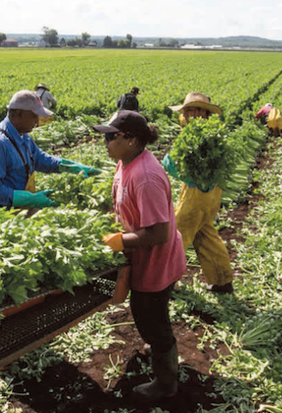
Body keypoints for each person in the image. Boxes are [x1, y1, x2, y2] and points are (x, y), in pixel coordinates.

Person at [96, 110, 186, 401]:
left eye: (111, 136)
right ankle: (159, 347)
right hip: (148, 258)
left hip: (157, 263)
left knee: (150, 318)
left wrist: (119, 242)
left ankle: (165, 382)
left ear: (131, 139)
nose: (105, 142)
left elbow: (159, 234)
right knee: (152, 314)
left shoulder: (146, 177)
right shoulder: (127, 162)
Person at [0, 90, 101, 215]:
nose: (37, 121)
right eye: (34, 116)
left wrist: (69, 167)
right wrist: (30, 199)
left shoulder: (23, 136)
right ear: (19, 114)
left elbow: (41, 159)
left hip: (20, 208)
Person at [165, 92, 234, 293]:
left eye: (197, 110)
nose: (191, 113)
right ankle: (222, 281)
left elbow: (173, 165)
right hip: (210, 194)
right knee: (206, 235)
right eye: (189, 109)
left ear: (205, 114)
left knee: (176, 236)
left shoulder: (198, 134)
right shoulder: (208, 131)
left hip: (197, 195)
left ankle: (164, 284)